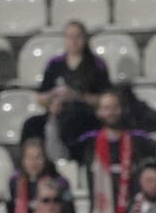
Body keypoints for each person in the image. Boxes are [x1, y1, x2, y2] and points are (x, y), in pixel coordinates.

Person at [79, 91, 156, 213]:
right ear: (99, 112)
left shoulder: (139, 140)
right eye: (106, 108)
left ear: (122, 110)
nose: (111, 112)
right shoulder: (89, 142)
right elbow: (57, 152)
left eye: (115, 107)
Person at [20, 20, 112, 160]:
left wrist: (78, 96)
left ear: (85, 39)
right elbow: (41, 97)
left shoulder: (96, 65)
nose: (73, 41)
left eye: (78, 37)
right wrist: (53, 97)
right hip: (58, 113)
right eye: (69, 37)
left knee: (74, 126)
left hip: (85, 114)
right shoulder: (55, 64)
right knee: (31, 125)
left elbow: (105, 99)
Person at [7, 137, 70, 213]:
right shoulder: (15, 182)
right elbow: (10, 209)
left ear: (45, 159)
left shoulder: (59, 182)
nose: (33, 162)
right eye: (29, 157)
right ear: (23, 160)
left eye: (38, 157)